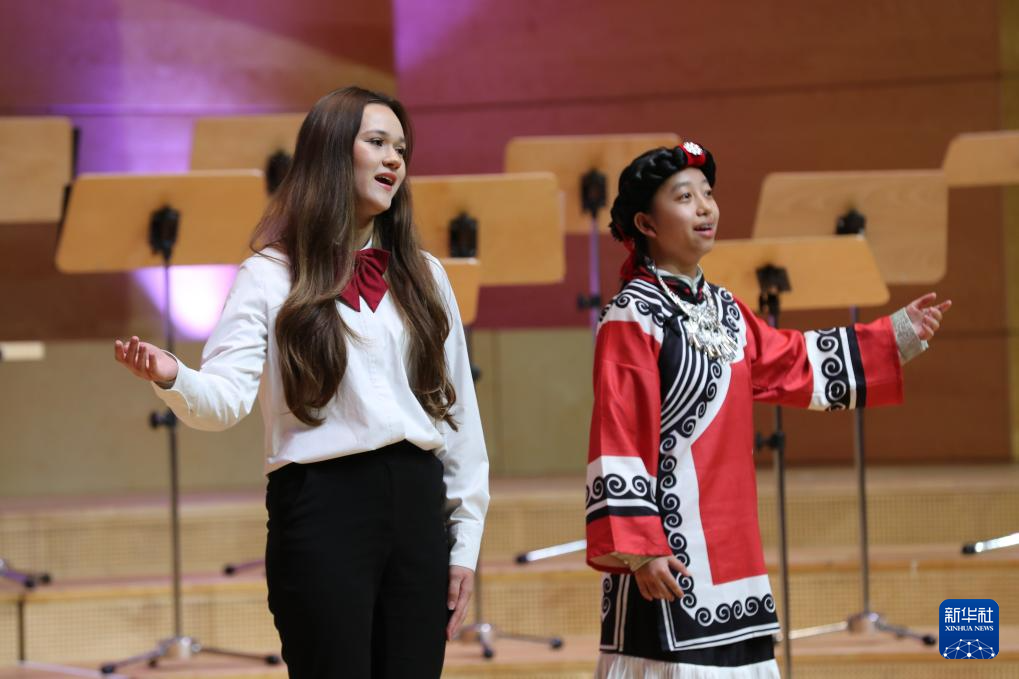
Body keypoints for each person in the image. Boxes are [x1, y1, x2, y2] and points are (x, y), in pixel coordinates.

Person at [113, 86, 489, 679]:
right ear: (333, 152)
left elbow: (458, 415)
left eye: (401, 148)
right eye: (377, 142)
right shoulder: (269, 275)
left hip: (417, 507)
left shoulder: (426, 275)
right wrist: (173, 375)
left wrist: (464, 543)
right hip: (322, 507)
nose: (394, 159)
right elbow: (225, 400)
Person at [585, 141, 950, 677]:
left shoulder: (726, 310)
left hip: (736, 553)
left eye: (708, 194)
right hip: (666, 552)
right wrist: (641, 548)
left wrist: (894, 337)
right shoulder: (631, 316)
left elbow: (794, 360)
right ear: (646, 223)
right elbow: (617, 432)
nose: (705, 208)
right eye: (684, 197)